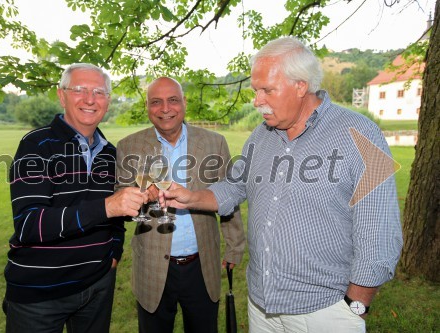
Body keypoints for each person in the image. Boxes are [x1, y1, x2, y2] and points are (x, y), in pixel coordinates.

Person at [163, 37, 403, 332]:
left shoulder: (361, 133)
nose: (256, 100)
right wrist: (191, 197)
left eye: (267, 90)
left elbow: (379, 231)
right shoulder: (261, 135)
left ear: (301, 86)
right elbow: (234, 186)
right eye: (255, 90)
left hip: (325, 311)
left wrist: (355, 308)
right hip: (262, 308)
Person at [4, 63, 148, 333]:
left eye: (99, 92)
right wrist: (107, 206)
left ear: (108, 100)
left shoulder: (110, 153)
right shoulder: (36, 145)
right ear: (61, 95)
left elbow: (115, 219)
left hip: (97, 287)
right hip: (40, 294)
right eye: (79, 89)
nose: (90, 99)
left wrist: (113, 254)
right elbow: (28, 225)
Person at [116, 77, 246, 333]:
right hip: (151, 268)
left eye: (173, 100)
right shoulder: (128, 146)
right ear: (147, 107)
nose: (165, 108)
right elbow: (120, 198)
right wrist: (139, 195)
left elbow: (228, 197)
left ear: (184, 103)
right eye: (156, 102)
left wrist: (234, 247)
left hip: (202, 265)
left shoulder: (214, 143)